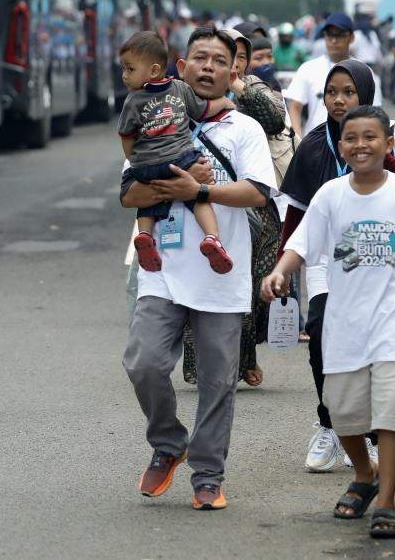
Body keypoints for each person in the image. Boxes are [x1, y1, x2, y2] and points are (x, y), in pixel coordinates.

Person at [262, 105, 395, 539]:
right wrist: (281, 270)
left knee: (391, 412)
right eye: (351, 138)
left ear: (388, 144)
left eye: (370, 137)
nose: (361, 145)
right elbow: (301, 242)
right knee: (343, 412)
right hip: (345, 321)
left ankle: (387, 502)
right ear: (341, 146)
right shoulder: (332, 195)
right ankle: (365, 472)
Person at [120, 25, 277, 509]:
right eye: (198, 58)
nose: (207, 66)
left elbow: (257, 191)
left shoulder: (244, 127)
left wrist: (200, 192)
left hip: (222, 275)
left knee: (216, 382)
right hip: (162, 268)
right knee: (143, 363)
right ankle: (168, 443)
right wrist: (173, 189)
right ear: (180, 68)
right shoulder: (153, 116)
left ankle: (208, 474)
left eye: (218, 59)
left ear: (234, 71)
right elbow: (129, 193)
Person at [279, 59, 395, 473]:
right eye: (331, 92)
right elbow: (296, 212)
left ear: (365, 93)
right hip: (327, 267)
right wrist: (282, 270)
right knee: (321, 343)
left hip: (380, 264)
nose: (338, 100)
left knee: (373, 349)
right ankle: (330, 425)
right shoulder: (313, 145)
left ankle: (368, 437)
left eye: (348, 92)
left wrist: (385, 155)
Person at [179, 28, 287, 388]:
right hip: (190, 210)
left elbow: (274, 120)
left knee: (252, 287)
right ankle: (199, 364)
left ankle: (244, 358)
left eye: (233, 57)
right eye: (203, 58)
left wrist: (237, 87)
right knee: (199, 288)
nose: (213, 66)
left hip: (253, 207)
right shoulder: (179, 101)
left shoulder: (253, 90)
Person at [119, 31, 235, 274]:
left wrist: (135, 160)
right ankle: (212, 237)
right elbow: (203, 110)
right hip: (181, 159)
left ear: (152, 71)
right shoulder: (179, 88)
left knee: (146, 206)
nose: (124, 76)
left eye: (129, 69)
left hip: (147, 164)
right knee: (198, 196)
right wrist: (225, 102)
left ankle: (145, 235)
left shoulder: (132, 101)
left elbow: (127, 136)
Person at [284, 12, 382, 138]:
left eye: (339, 35)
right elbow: (294, 107)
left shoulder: (364, 71)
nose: (334, 40)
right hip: (315, 145)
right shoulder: (308, 69)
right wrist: (298, 142)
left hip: (353, 146)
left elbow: (375, 112)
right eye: (329, 35)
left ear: (351, 38)